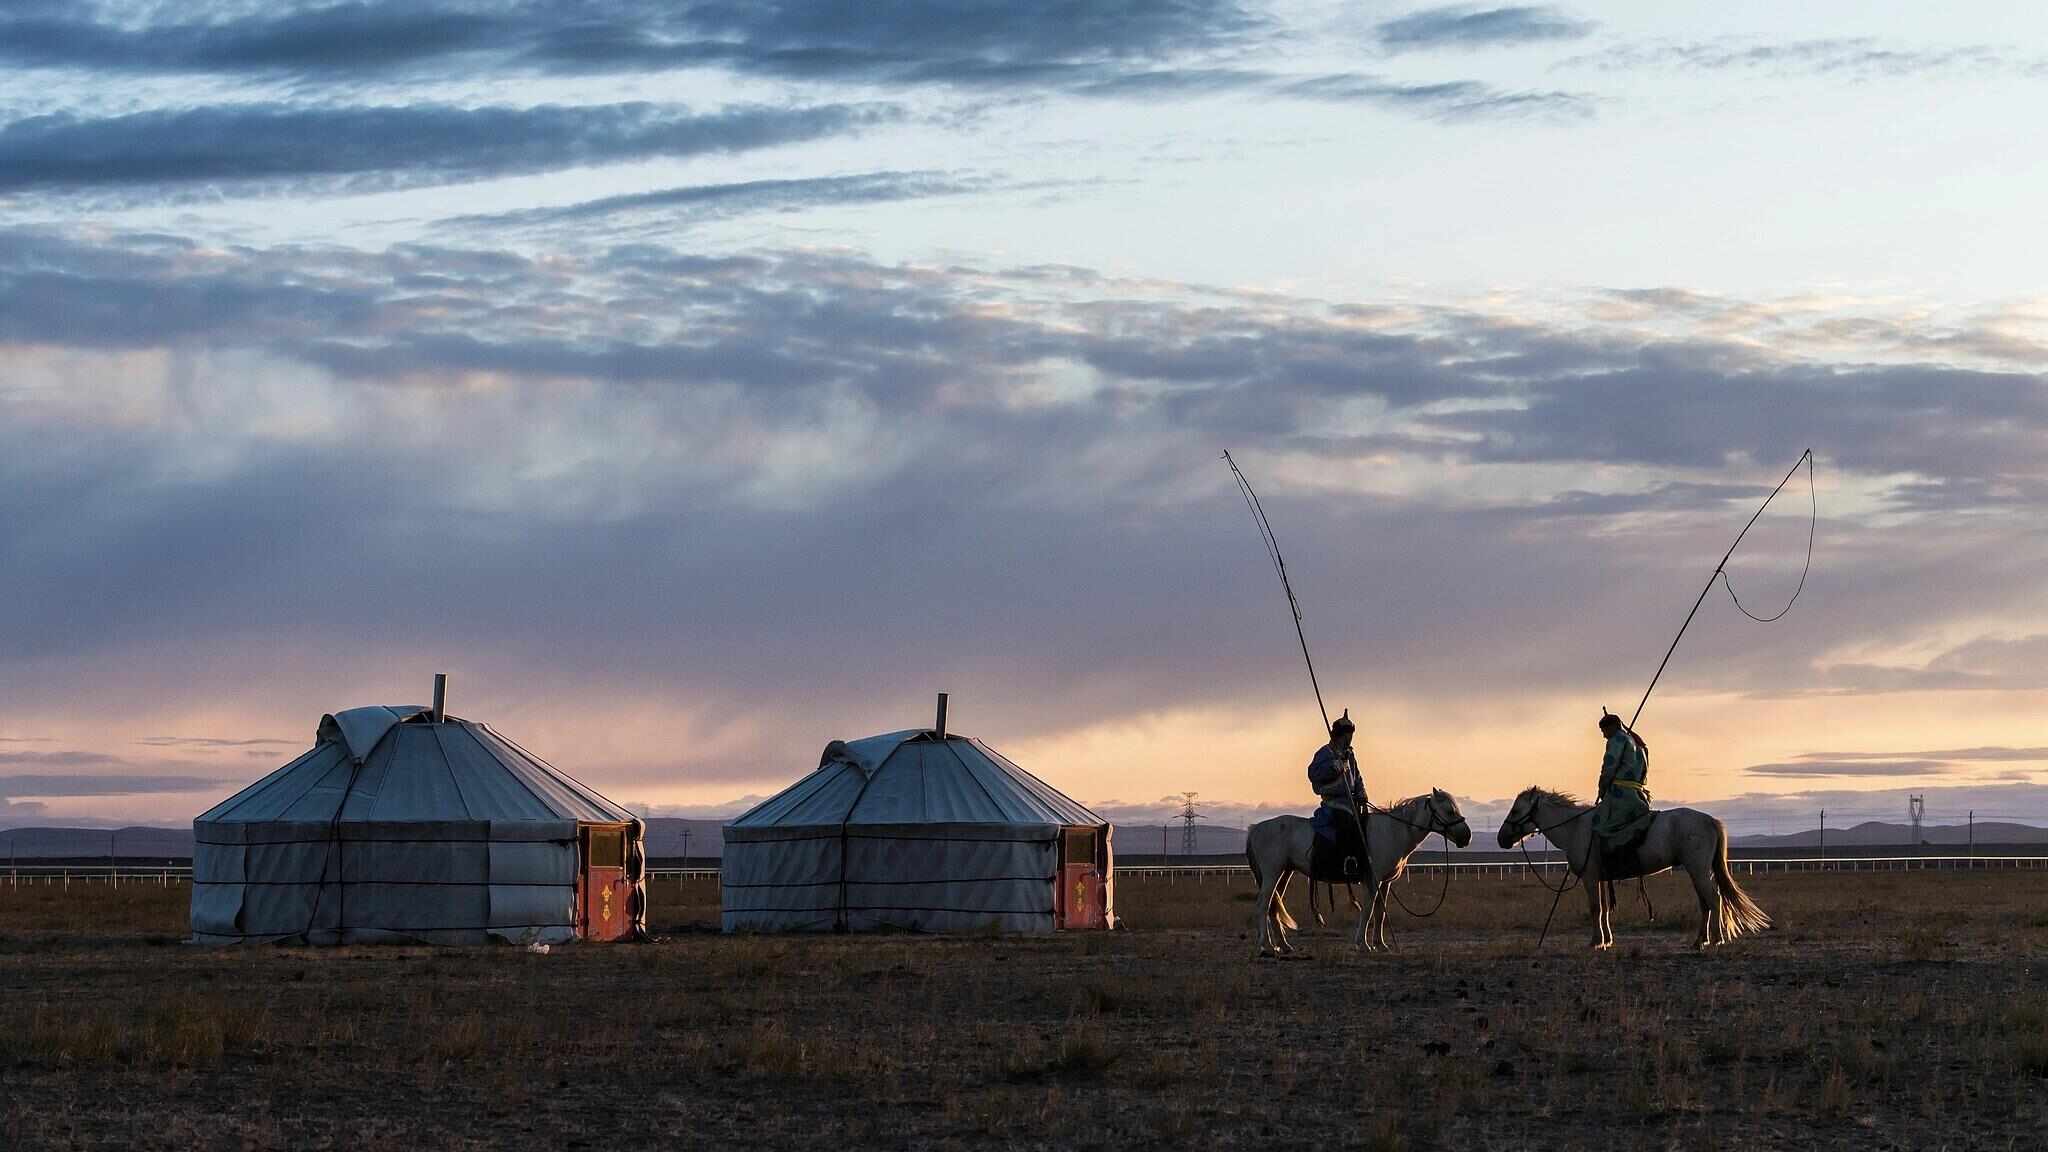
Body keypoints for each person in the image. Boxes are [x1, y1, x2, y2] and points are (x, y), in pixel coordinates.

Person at [1593, 712, 1652, 856]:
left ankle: (1613, 861)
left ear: (1612, 727)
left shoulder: (1616, 740)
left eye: (1604, 731)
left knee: (1598, 827)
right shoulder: (1637, 744)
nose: (1604, 736)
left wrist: (1602, 790)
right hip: (1638, 794)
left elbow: (1608, 768)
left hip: (1621, 795)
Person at [1308, 710, 1365, 823]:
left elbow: (1357, 777)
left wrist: (1361, 792)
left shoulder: (1349, 754)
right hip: (1334, 803)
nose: (1350, 738)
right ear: (1341, 735)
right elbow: (1313, 774)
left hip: (1351, 803)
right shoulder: (1325, 752)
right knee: (1346, 825)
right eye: (1347, 735)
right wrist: (1333, 767)